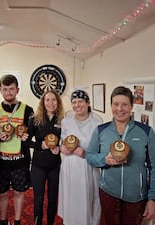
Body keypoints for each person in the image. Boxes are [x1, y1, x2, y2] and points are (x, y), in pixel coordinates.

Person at [86, 86, 155, 225]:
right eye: (116, 104)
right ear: (111, 106)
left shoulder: (146, 132)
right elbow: (90, 156)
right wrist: (105, 160)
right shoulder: (101, 130)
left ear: (132, 106)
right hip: (108, 192)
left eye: (125, 104)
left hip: (136, 197)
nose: (120, 109)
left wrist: (154, 199)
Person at [58, 89, 103, 225]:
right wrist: (62, 147)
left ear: (88, 103)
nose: (77, 105)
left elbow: (101, 149)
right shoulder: (66, 121)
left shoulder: (97, 123)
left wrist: (86, 153)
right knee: (71, 199)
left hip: (87, 166)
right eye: (74, 102)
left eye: (80, 101)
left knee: (88, 200)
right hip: (69, 166)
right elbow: (62, 140)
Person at [0, 74, 34, 225]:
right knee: (2, 194)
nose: (8, 92)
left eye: (11, 89)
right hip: (1, 161)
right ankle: (3, 221)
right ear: (0, 90)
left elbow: (32, 133)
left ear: (17, 90)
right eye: (5, 89)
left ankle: (17, 221)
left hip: (20, 161)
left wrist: (27, 137)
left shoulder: (28, 110)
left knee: (19, 192)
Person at [24, 90, 64, 225]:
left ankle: (50, 222)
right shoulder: (34, 119)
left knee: (53, 198)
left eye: (54, 100)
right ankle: (38, 222)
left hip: (55, 165)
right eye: (47, 100)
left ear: (58, 102)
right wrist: (39, 145)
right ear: (43, 102)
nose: (51, 103)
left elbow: (67, 140)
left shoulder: (63, 120)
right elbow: (26, 141)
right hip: (38, 165)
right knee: (38, 198)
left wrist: (59, 148)